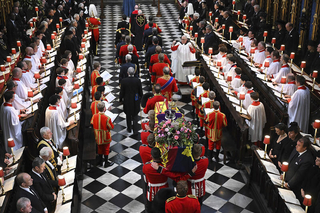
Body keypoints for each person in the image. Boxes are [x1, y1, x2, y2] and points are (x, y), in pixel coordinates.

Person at [91, 102, 115, 167]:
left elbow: (92, 123)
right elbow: (111, 127)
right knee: (106, 149)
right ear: (104, 108)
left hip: (98, 136)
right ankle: (106, 162)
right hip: (105, 135)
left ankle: (100, 161)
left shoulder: (94, 116)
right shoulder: (107, 118)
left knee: (100, 148)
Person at [120, 67, 143, 133]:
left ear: (127, 73)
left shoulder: (124, 81)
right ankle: (135, 130)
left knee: (128, 115)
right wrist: (141, 98)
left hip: (127, 100)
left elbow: (122, 92)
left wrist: (120, 99)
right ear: (134, 72)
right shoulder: (137, 80)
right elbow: (140, 91)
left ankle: (129, 128)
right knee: (135, 115)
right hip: (135, 100)